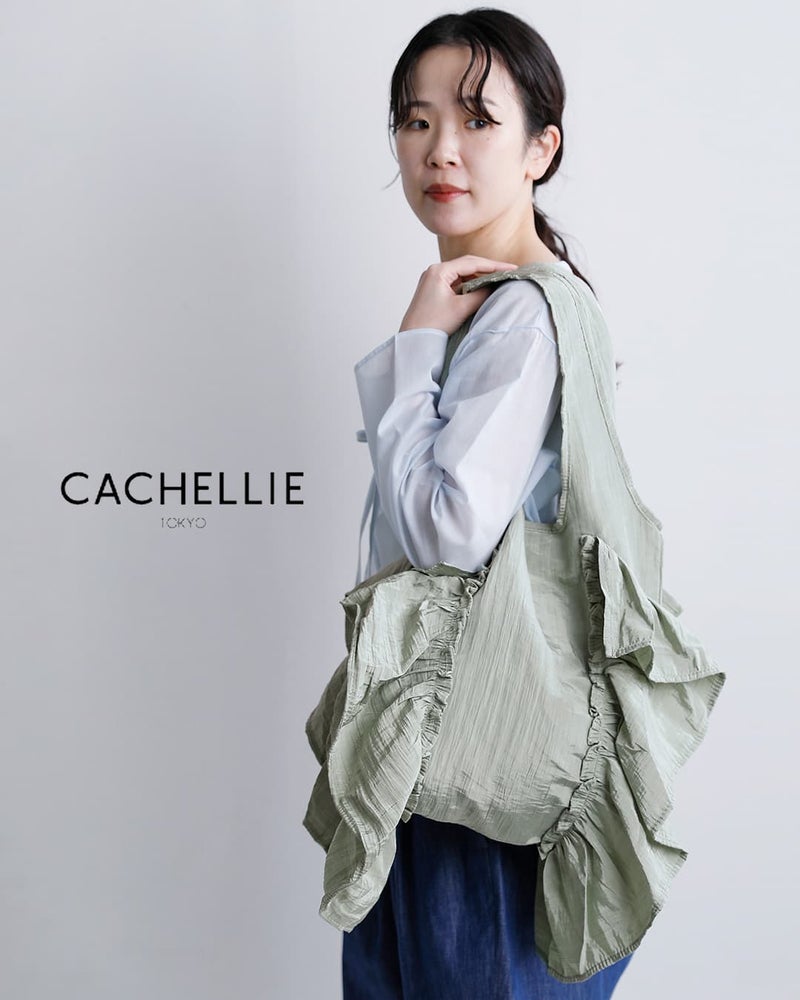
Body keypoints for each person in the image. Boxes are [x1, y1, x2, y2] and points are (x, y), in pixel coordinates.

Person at [341, 9, 634, 999]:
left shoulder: (518, 316)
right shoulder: (508, 303)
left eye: (476, 119)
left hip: (479, 766)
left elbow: (444, 534)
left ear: (540, 148)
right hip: (469, 756)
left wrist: (414, 347)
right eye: (416, 120)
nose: (440, 149)